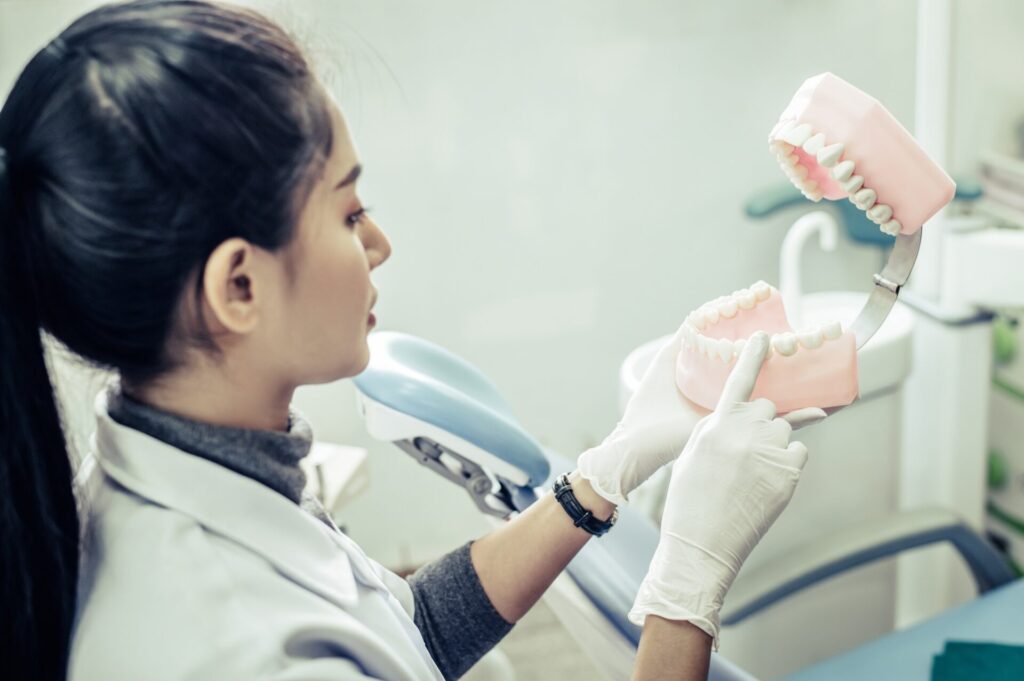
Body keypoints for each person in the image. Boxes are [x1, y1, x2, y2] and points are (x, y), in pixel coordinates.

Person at [0, 2, 824, 679]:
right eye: (349, 212)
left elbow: (409, 630)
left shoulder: (193, 460)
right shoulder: (242, 649)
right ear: (238, 287)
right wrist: (687, 584)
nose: (379, 243)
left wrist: (600, 475)